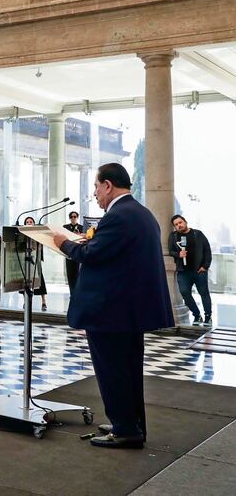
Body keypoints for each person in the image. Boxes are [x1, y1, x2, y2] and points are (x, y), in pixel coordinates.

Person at [53, 163, 173, 449]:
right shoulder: (141, 214)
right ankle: (130, 423)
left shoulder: (117, 216)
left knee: (112, 370)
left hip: (111, 311)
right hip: (129, 311)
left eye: (96, 187)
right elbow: (114, 254)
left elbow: (92, 255)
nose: (95, 194)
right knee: (129, 369)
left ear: (108, 185)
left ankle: (125, 430)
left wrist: (64, 243)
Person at [169, 214, 213, 326]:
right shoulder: (173, 236)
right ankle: (197, 315)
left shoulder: (198, 234)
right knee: (184, 292)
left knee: (204, 293)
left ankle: (208, 316)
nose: (179, 225)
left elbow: (207, 250)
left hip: (199, 271)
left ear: (185, 222)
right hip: (183, 272)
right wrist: (179, 254)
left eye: (180, 222)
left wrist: (205, 266)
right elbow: (170, 251)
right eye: (176, 224)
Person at [20, 216, 48, 310]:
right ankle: (25, 302)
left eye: (30, 221)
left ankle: (44, 302)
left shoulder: (38, 233)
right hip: (25, 260)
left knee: (40, 281)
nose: (29, 223)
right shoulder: (22, 233)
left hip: (36, 259)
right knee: (25, 281)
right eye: (27, 222)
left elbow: (40, 247)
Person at [63, 211, 86, 295]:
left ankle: (77, 293)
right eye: (72, 217)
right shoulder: (65, 227)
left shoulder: (82, 227)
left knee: (77, 274)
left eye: (75, 216)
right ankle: (71, 293)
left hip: (78, 253)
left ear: (77, 217)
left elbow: (85, 239)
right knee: (70, 274)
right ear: (69, 218)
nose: (73, 218)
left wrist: (79, 235)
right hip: (68, 253)